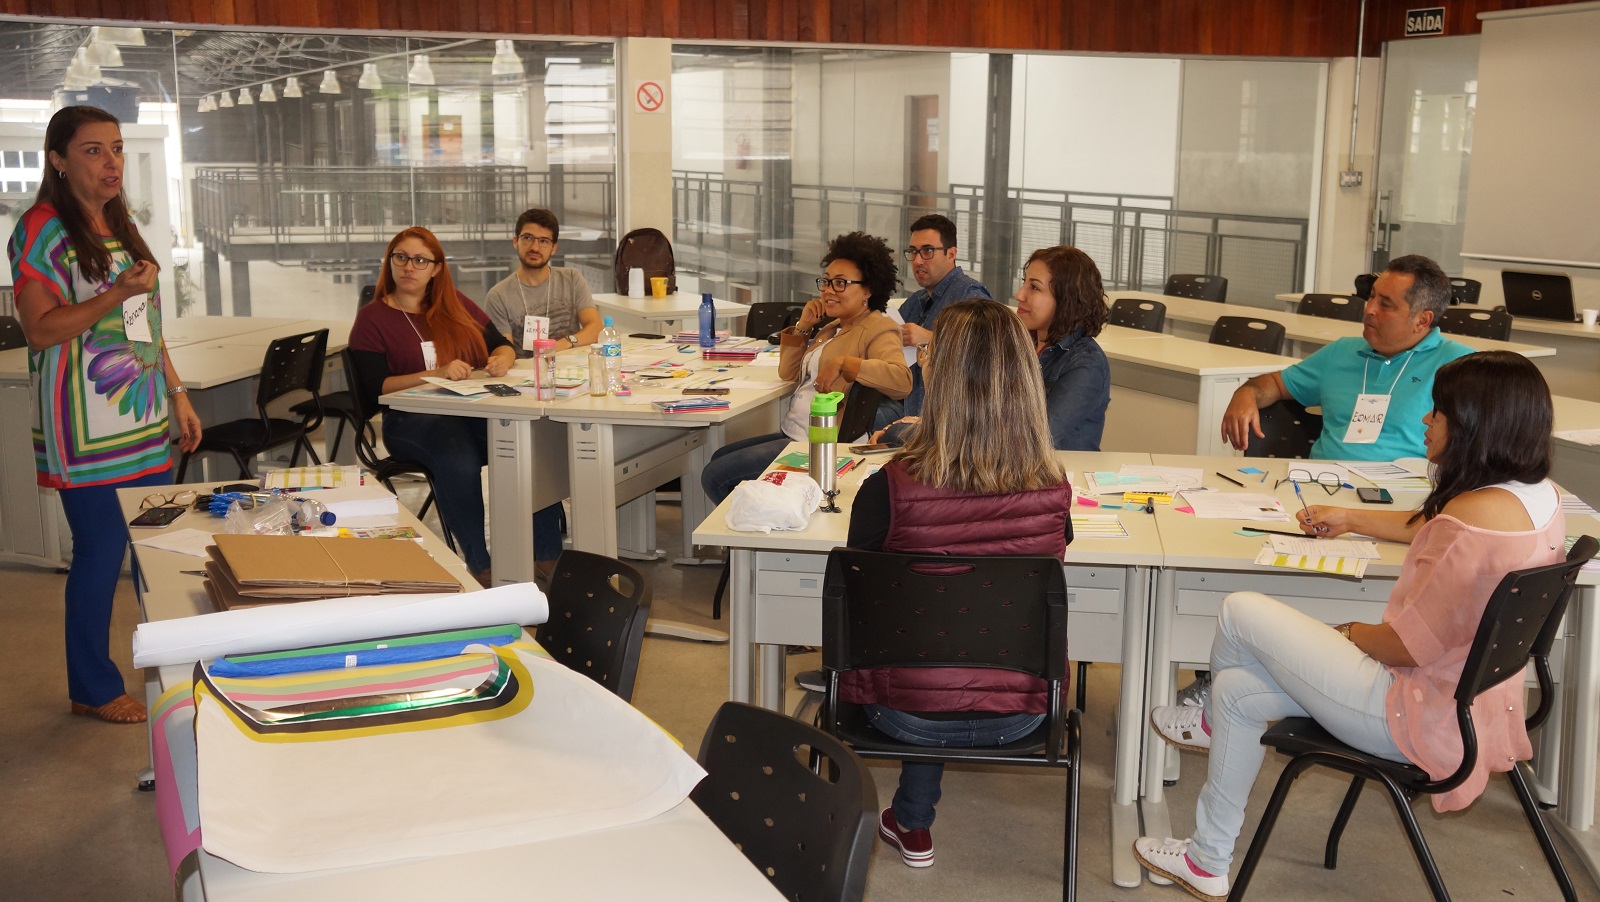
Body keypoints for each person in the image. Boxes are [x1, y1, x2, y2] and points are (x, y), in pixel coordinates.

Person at [1136, 351, 1566, 902]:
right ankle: (1205, 860)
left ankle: (1210, 722)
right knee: (1239, 693)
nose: (1425, 422)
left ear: (1477, 425)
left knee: (1239, 609)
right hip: (1468, 705)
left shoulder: (1466, 525)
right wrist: (1351, 518)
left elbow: (1406, 646)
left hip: (1408, 711)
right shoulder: (1536, 501)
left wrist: (1348, 633)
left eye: (1438, 412)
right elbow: (1436, 528)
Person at [843, 299, 1075, 868]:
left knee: (929, 634)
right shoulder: (1054, 493)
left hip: (903, 712)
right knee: (961, 635)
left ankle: (913, 821)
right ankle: (912, 817)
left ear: (940, 379)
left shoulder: (888, 489)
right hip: (1024, 711)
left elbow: (863, 600)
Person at [7, 106, 203, 724]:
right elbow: (39, 331)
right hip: (84, 429)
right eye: (93, 150)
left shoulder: (118, 226)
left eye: (115, 148)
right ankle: (91, 687)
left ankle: (174, 666)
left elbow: (144, 324)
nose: (112, 161)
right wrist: (116, 292)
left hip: (141, 418)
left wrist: (177, 393)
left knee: (154, 549)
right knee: (100, 554)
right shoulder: (40, 229)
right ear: (58, 160)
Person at [348, 227, 561, 584]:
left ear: (436, 268)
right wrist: (435, 373)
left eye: (420, 260)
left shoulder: (454, 304)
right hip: (410, 421)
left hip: (468, 410)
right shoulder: (373, 318)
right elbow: (374, 390)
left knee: (528, 443)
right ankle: (481, 565)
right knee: (457, 456)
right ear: (389, 263)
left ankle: (547, 557)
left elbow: (499, 343)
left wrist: (503, 359)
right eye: (400, 258)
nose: (408, 267)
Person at [699, 231, 911, 504]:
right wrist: (803, 326)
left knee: (715, 475)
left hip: (819, 443)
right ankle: (760, 527)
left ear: (868, 290)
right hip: (794, 431)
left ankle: (761, 532)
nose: (828, 290)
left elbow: (902, 381)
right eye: (826, 282)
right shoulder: (834, 327)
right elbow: (787, 374)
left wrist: (845, 364)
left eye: (841, 283)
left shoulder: (878, 327)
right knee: (719, 458)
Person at [1220, 254, 1472, 460]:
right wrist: (1246, 393)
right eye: (1372, 296)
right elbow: (1275, 383)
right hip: (1323, 487)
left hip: (1405, 498)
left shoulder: (1462, 367)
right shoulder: (1341, 352)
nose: (1369, 309)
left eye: (1386, 304)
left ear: (1422, 320)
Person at [876, 213, 991, 426]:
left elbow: (986, 355)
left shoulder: (970, 294)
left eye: (928, 251)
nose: (918, 260)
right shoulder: (917, 299)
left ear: (951, 253)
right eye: (913, 251)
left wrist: (930, 338)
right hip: (907, 405)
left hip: (949, 418)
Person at [481, 208, 600, 357]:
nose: (535, 247)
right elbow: (503, 349)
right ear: (516, 241)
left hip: (570, 369)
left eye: (543, 241)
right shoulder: (498, 296)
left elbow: (595, 328)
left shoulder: (572, 279)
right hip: (525, 374)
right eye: (528, 238)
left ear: (554, 248)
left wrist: (563, 343)